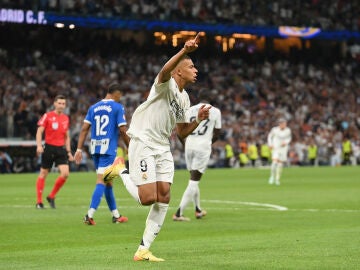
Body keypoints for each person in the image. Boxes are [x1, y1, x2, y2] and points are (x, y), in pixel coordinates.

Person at [104, 33, 210, 262]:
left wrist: (198, 120)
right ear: (178, 71)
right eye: (191, 66)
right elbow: (163, 71)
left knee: (164, 197)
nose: (196, 70)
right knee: (147, 198)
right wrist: (184, 51)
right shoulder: (165, 84)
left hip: (162, 147)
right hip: (143, 141)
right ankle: (120, 169)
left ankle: (143, 249)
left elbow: (181, 132)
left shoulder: (184, 99)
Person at [74, 83, 130, 225]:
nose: (120, 98)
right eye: (120, 96)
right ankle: (89, 215)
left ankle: (116, 216)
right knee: (101, 181)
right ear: (116, 94)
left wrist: (79, 149)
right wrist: (130, 146)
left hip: (95, 149)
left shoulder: (93, 108)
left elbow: (84, 129)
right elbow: (123, 130)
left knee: (108, 182)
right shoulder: (117, 107)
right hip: (108, 150)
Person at [172, 89, 221, 221]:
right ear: (210, 98)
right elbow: (217, 133)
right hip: (203, 146)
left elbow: (180, 132)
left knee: (193, 179)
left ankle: (198, 209)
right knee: (194, 181)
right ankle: (178, 213)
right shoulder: (215, 111)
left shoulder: (190, 110)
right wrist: (208, 143)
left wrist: (185, 144)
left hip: (189, 145)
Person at [35, 95, 74, 209]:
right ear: (55, 104)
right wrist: (38, 145)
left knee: (65, 173)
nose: (62, 105)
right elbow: (39, 131)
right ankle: (39, 202)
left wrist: (69, 152)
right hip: (49, 148)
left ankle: (51, 196)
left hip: (61, 149)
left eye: (63, 104)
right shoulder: (47, 116)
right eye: (60, 103)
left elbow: (67, 136)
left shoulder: (66, 118)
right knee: (43, 174)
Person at [267, 118, 292, 185]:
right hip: (276, 148)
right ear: (280, 124)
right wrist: (270, 144)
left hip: (283, 149)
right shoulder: (274, 130)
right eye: (283, 123)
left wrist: (286, 142)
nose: (284, 125)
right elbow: (269, 136)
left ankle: (277, 179)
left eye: (285, 123)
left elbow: (289, 138)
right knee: (274, 162)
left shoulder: (288, 130)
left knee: (280, 164)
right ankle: (272, 176)